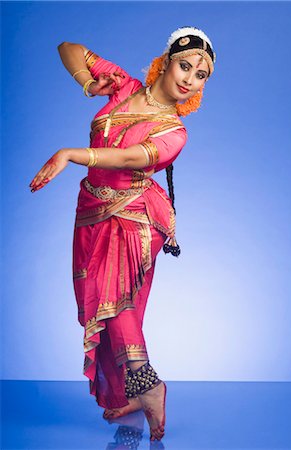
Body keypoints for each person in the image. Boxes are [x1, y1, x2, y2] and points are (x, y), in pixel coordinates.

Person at [29, 26, 216, 441]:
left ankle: (149, 386)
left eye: (200, 75)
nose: (189, 78)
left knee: (116, 301)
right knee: (97, 303)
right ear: (166, 62)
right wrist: (88, 82)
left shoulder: (174, 132)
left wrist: (70, 154)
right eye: (184, 65)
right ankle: (123, 394)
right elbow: (68, 47)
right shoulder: (124, 88)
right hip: (91, 208)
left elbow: (131, 158)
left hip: (134, 216)